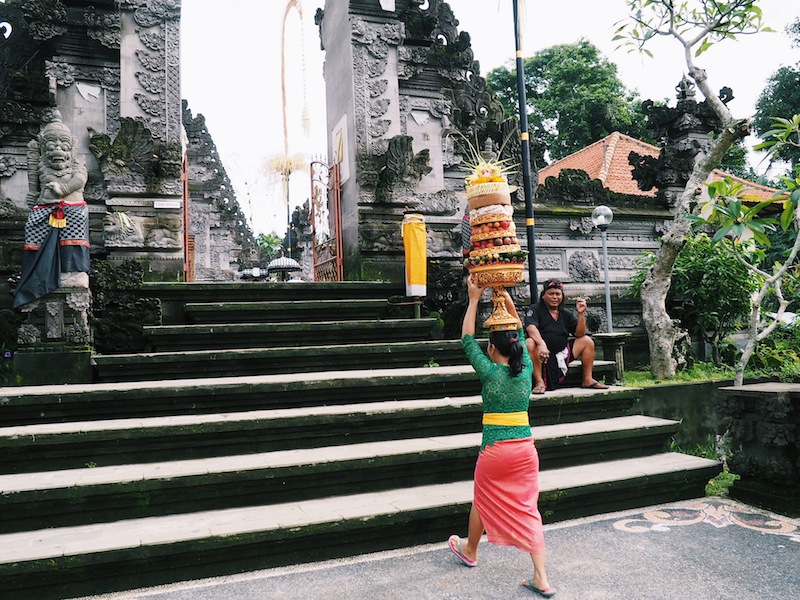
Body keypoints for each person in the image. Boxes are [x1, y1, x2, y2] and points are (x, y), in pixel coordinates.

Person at [448, 275, 555, 598]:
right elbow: (521, 331)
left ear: (492, 348)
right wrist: (504, 296)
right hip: (525, 450)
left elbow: (467, 339)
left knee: (482, 497)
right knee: (528, 508)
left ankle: (470, 550)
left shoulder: (489, 370)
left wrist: (474, 299)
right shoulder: (524, 371)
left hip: (495, 449)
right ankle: (541, 577)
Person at [524, 278, 608, 394]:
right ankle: (539, 382)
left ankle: (587, 379)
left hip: (562, 354)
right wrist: (541, 344)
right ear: (543, 296)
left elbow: (579, 334)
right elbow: (530, 327)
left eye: (558, 294)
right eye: (551, 294)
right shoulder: (535, 309)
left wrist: (581, 314)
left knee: (587, 341)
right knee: (529, 342)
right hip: (541, 355)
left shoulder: (565, 314)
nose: (555, 297)